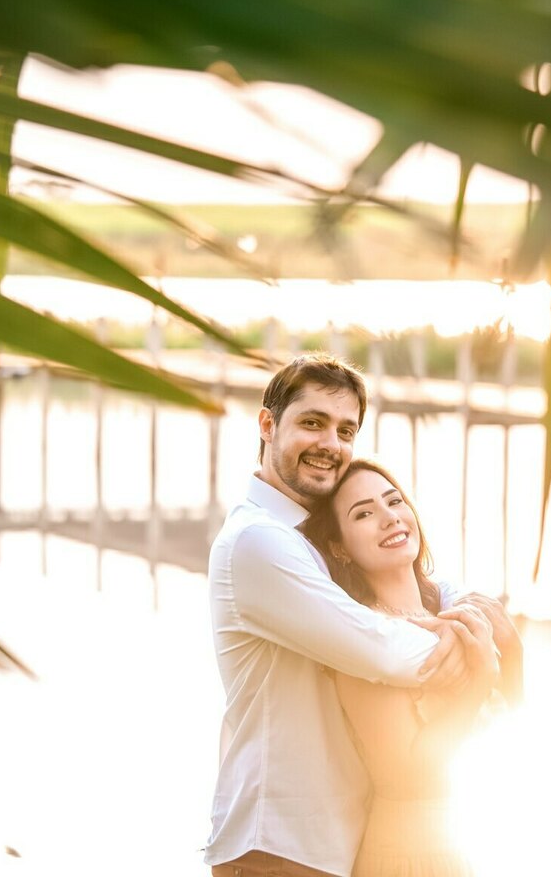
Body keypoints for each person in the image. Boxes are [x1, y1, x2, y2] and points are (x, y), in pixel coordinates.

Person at [205, 354, 481, 877]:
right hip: (279, 847)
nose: (331, 444)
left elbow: (424, 585)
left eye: (346, 429)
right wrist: (476, 649)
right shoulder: (258, 541)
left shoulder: (305, 539)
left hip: (327, 843)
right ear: (268, 425)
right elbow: (377, 648)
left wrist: (470, 608)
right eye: (312, 423)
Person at [304, 459, 524, 877]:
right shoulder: (362, 635)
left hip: (480, 839)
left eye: (394, 501)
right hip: (412, 853)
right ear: (339, 547)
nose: (389, 518)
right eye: (364, 513)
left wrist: (513, 652)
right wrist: (479, 683)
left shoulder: (451, 609)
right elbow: (407, 776)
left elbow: (517, 724)